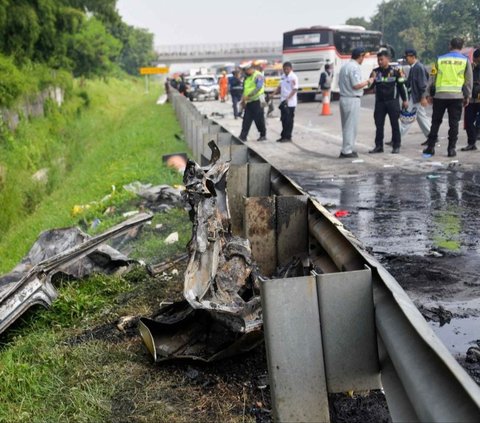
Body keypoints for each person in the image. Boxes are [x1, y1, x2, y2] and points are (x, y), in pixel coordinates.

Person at [423, 37, 473, 157]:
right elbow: (468, 81)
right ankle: (451, 149)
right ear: (461, 47)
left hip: (440, 96)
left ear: (450, 45)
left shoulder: (440, 59)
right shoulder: (465, 61)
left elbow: (432, 78)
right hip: (456, 97)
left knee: (435, 122)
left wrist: (428, 94)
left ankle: (430, 148)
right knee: (454, 124)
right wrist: (467, 96)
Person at [369, 49, 408, 154]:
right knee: (379, 125)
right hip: (380, 102)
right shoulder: (375, 72)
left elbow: (401, 86)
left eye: (381, 59)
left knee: (395, 125)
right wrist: (371, 80)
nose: (379, 62)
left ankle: (396, 145)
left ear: (388, 59)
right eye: (378, 60)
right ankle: (378, 146)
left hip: (393, 102)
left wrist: (405, 100)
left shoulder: (396, 71)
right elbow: (369, 87)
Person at [338, 47, 374, 158]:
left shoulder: (345, 67)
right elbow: (356, 85)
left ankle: (347, 148)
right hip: (352, 98)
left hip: (344, 97)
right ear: (360, 56)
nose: (364, 59)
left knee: (346, 126)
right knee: (351, 126)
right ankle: (347, 151)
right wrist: (369, 81)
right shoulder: (354, 67)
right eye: (363, 56)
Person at [400, 49, 431, 140]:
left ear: (413, 57)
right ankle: (431, 136)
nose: (406, 60)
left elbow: (423, 84)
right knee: (422, 118)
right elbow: (410, 83)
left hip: (416, 97)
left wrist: (423, 97)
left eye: (407, 58)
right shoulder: (414, 67)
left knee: (407, 118)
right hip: (415, 96)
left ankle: (397, 138)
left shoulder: (418, 67)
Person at [270, 61, 298, 142]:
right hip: (283, 102)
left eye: (287, 69)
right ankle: (283, 136)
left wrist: (288, 98)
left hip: (290, 103)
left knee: (289, 120)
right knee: (283, 119)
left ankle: (288, 137)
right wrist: (273, 94)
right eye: (284, 69)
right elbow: (279, 87)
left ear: (291, 68)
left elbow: (295, 89)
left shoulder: (293, 77)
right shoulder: (283, 76)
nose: (286, 70)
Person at [239, 63, 267, 142]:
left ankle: (263, 134)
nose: (245, 72)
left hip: (258, 100)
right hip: (249, 101)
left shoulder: (258, 75)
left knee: (259, 119)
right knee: (246, 119)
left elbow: (258, 87)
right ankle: (243, 136)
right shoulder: (247, 78)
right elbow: (245, 89)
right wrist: (243, 100)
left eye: (246, 70)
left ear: (250, 69)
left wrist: (249, 95)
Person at [461, 48, 480, 151]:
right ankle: (471, 143)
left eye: (477, 59)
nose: (476, 61)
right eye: (475, 60)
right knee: (468, 121)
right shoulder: (470, 67)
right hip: (471, 98)